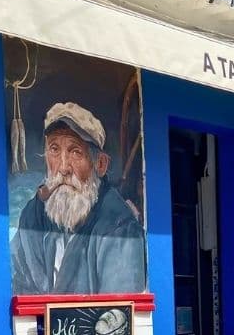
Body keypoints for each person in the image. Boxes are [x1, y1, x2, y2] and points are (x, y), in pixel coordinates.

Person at [11, 101, 146, 294]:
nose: (63, 167)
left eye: (75, 152)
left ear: (100, 164)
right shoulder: (37, 215)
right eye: (54, 149)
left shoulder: (119, 228)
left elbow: (116, 316)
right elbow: (19, 285)